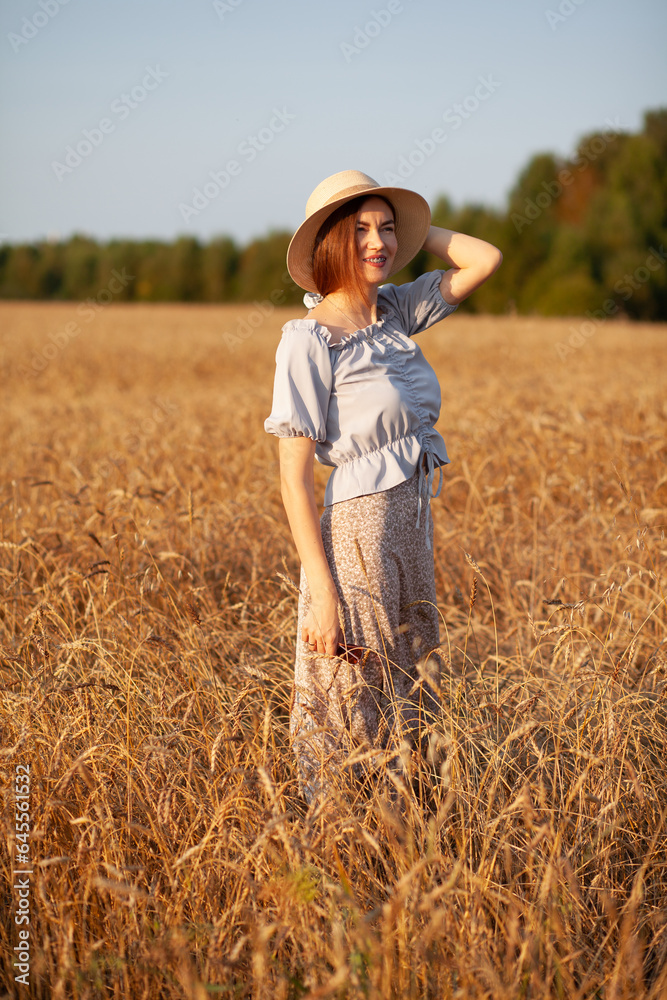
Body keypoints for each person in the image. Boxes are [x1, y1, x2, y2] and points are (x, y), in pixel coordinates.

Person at [264, 170, 502, 806]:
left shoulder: (395, 313)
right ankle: (339, 853)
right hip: (359, 530)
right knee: (352, 694)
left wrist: (416, 234)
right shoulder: (309, 340)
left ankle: (401, 855)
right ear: (332, 241)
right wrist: (321, 591)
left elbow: (485, 260)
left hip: (412, 525)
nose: (379, 242)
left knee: (410, 685)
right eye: (362, 230)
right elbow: (293, 479)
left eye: (388, 228)